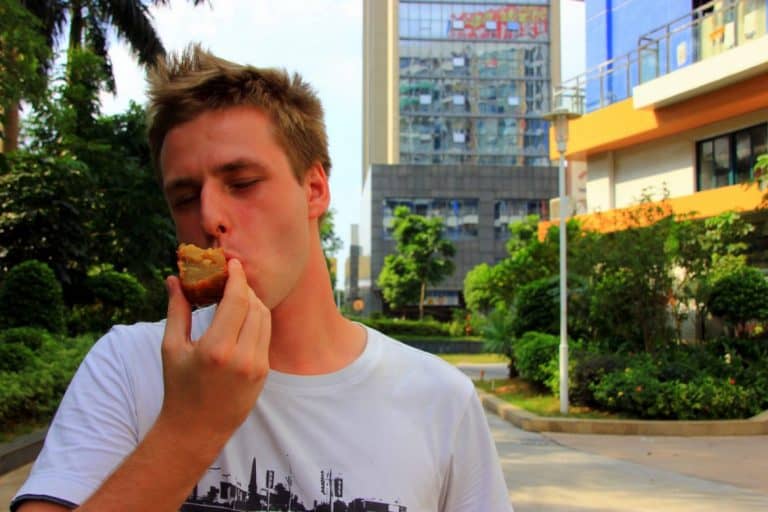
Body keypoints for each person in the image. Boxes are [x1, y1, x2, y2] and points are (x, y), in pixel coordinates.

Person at [12, 44, 512, 512]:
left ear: (314, 189)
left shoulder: (439, 399)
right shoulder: (128, 367)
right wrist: (188, 429)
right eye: (184, 198)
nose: (210, 217)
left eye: (243, 183)